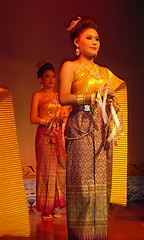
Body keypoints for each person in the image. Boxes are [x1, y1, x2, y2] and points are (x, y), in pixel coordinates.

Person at [59, 16, 127, 239]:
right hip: (80, 129)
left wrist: (111, 102)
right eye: (89, 38)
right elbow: (63, 97)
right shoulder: (70, 66)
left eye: (97, 38)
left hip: (101, 131)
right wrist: (90, 97)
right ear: (77, 42)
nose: (95, 42)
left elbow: (110, 99)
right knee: (83, 187)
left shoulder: (105, 72)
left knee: (100, 188)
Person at [30, 62, 69, 221]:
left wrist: (61, 117)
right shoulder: (37, 95)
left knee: (58, 170)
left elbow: (65, 113)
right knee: (46, 170)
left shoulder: (60, 96)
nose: (51, 79)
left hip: (58, 135)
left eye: (53, 76)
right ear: (41, 79)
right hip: (44, 135)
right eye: (47, 76)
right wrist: (48, 120)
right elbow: (32, 118)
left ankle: (52, 206)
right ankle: (45, 209)